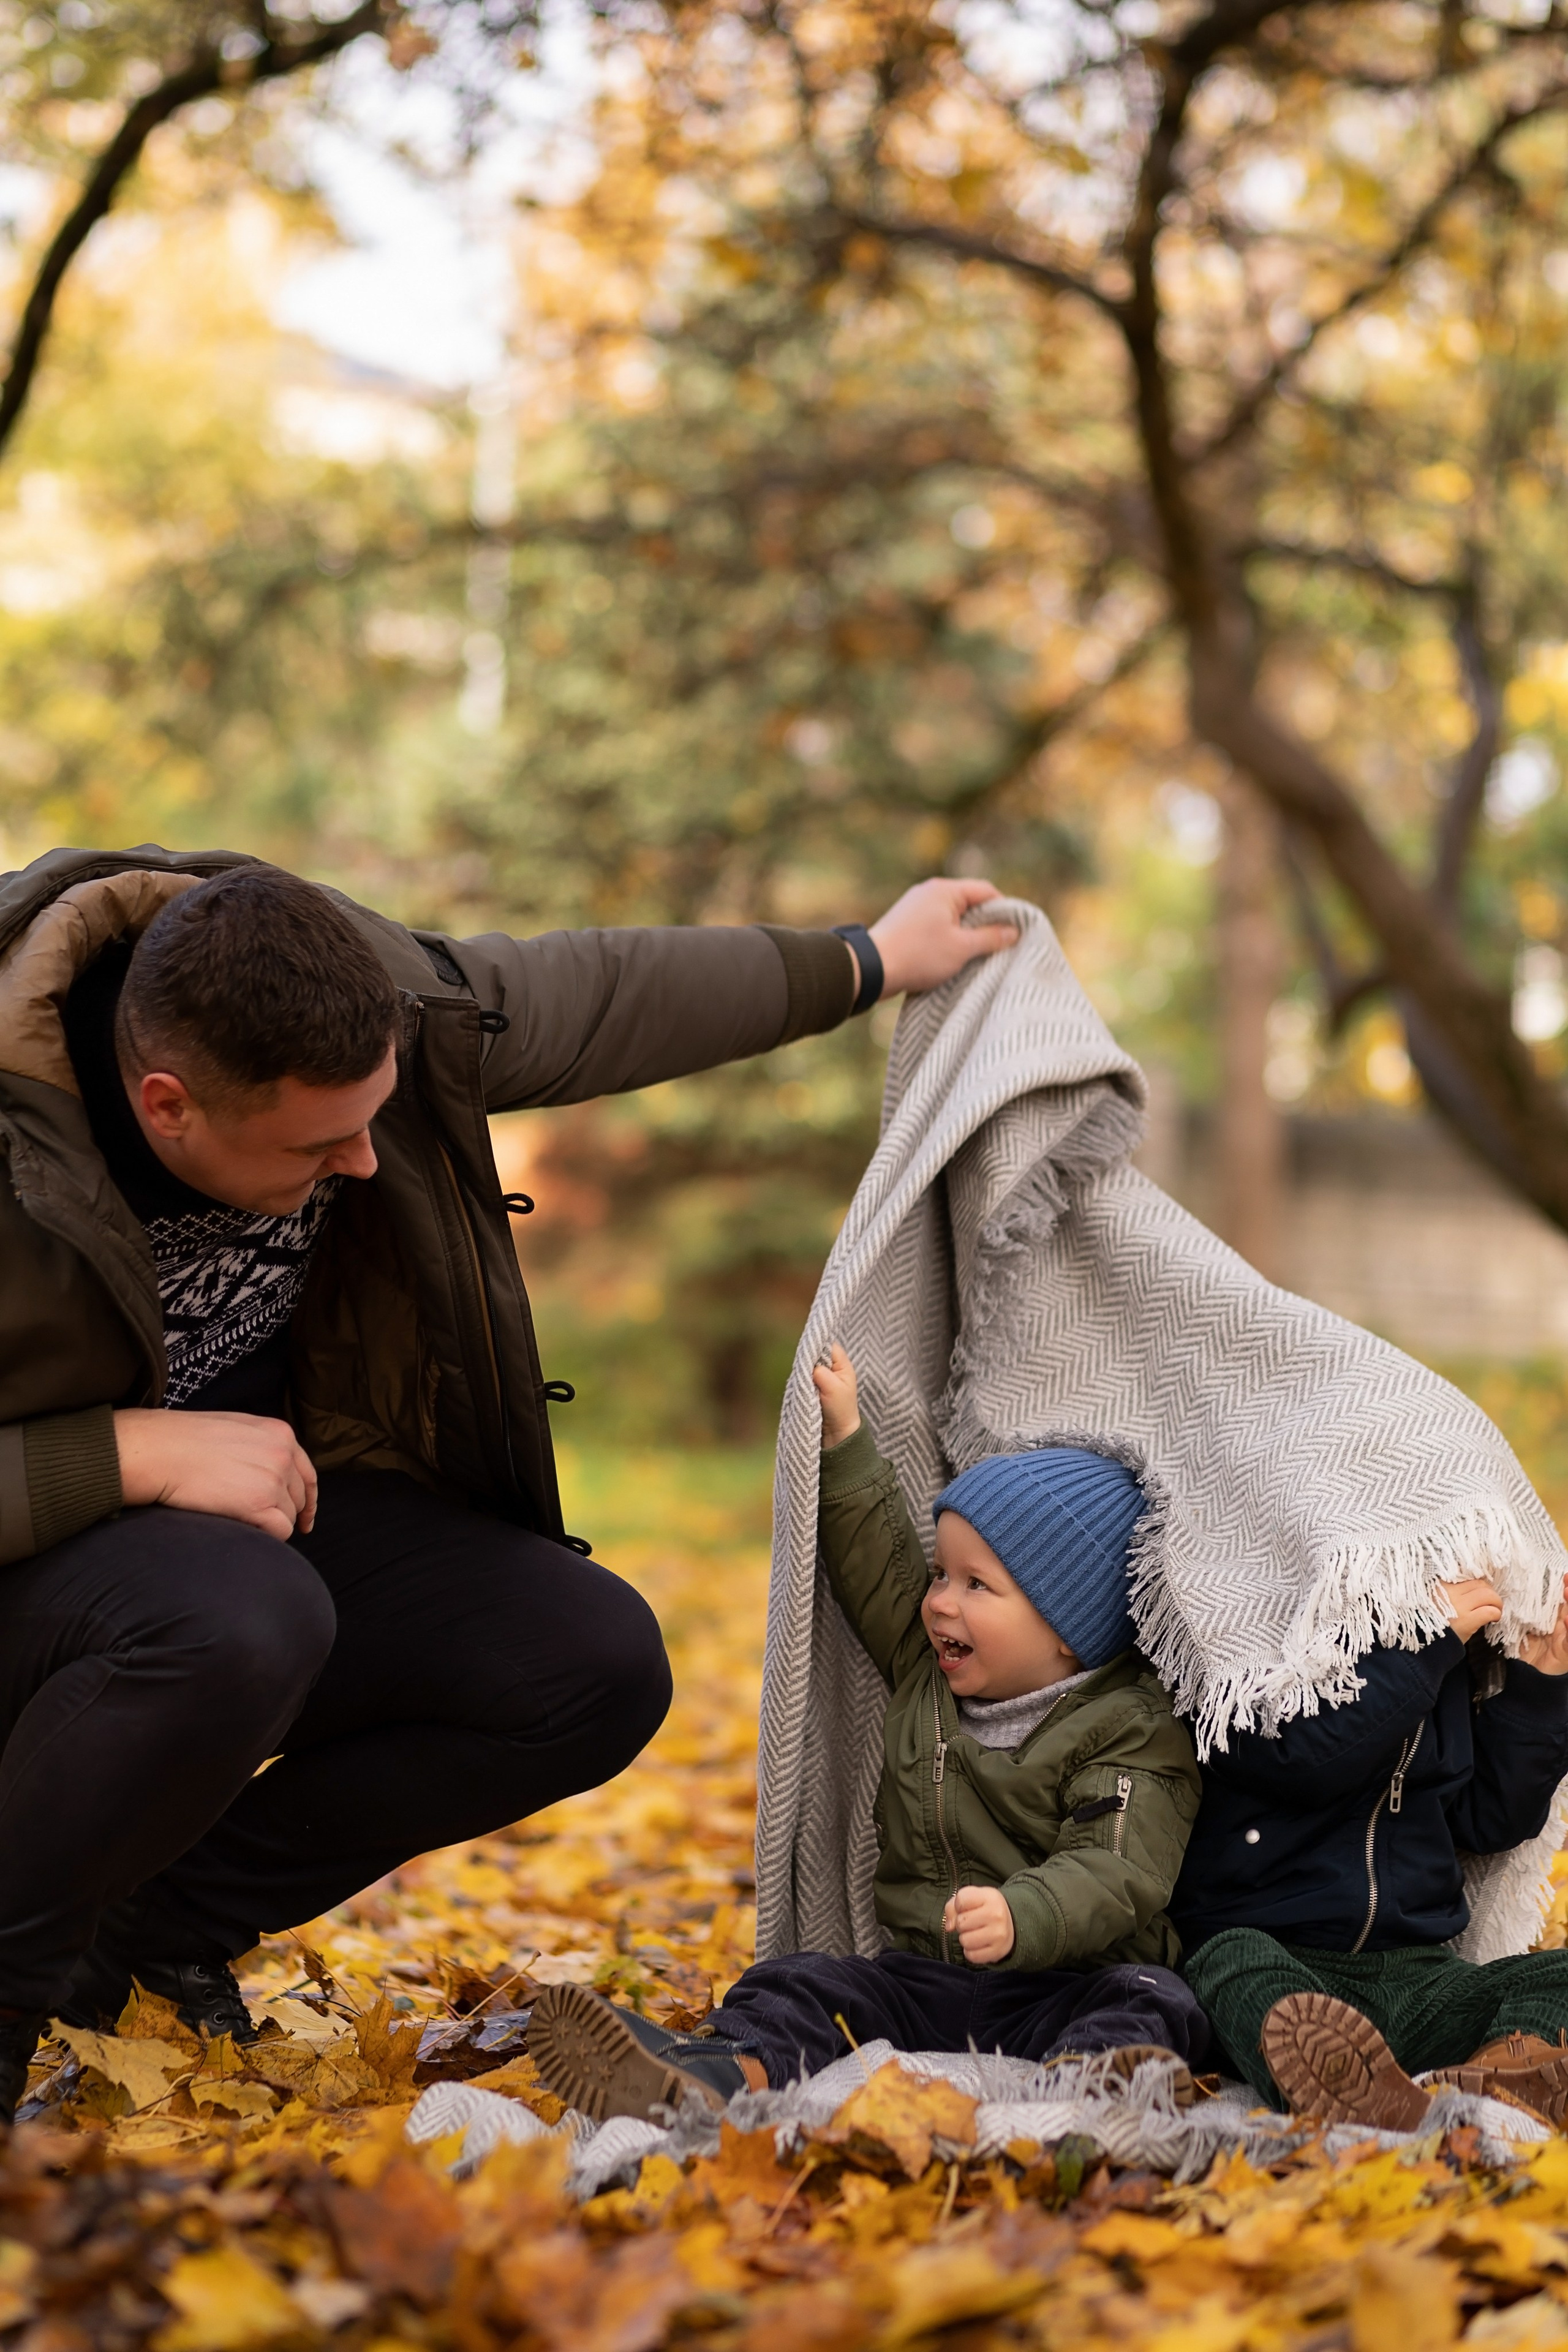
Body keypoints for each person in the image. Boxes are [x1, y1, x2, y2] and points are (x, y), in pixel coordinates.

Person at [0, 843, 1019, 2121]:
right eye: (321, 1143)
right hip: (60, 1577)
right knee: (244, 1612)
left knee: (583, 1662)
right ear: (167, 1106)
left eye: (373, 1116)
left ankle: (151, 1926)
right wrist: (130, 1452)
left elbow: (593, 996)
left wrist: (869, 959)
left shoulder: (371, 1003)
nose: (369, 1164)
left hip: (240, 1531)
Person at [529, 1344, 1208, 2116]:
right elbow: (877, 1570)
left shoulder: (1130, 1727)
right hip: (927, 1981)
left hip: (1069, 1982)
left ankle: (1090, 2098)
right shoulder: (929, 1672)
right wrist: (846, 1440)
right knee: (802, 1981)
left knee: (1156, 2001)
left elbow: (1121, 1870)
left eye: (976, 1585)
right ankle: (716, 2076)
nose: (940, 1602)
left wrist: (1028, 1914)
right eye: (943, 1575)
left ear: (1066, 1631)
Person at [1177, 1568, 1568, 2128]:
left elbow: (1487, 1823)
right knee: (1227, 1961)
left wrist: (1541, 1681)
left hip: (1418, 1974)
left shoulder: (1450, 1663)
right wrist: (1422, 1647)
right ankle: (1341, 2082)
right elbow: (1302, 1758)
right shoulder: (1245, 1629)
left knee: (1557, 1976)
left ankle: (1494, 2088)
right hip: (1283, 1956)